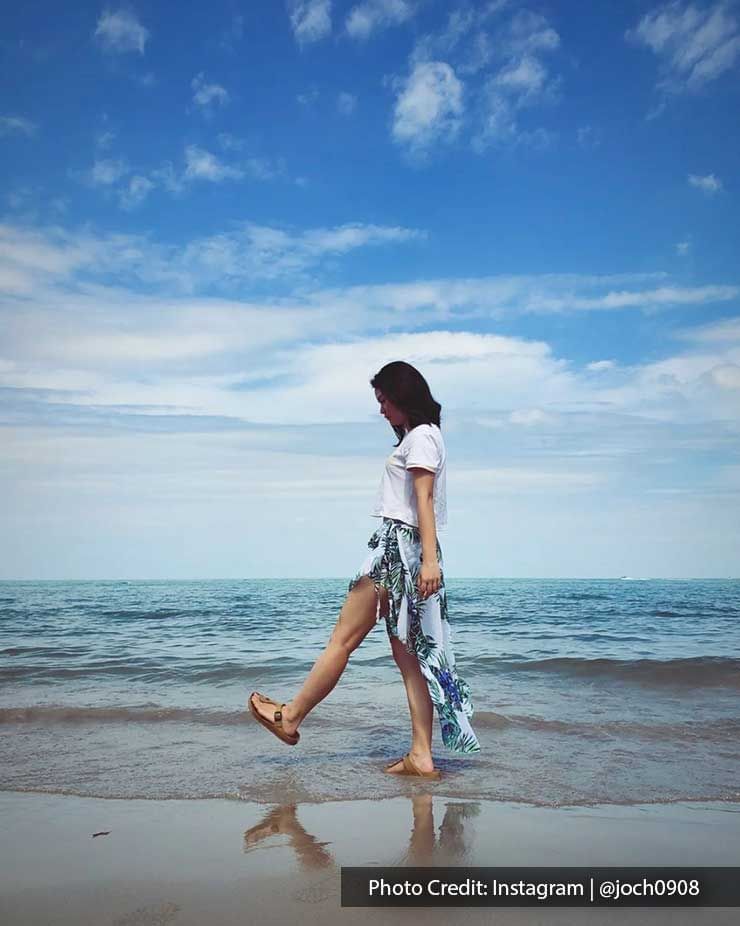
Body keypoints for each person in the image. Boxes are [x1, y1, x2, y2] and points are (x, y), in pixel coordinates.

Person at [248, 361, 480, 778]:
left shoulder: (422, 438)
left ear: (402, 397)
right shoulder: (421, 436)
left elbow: (423, 501)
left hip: (398, 552)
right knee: (409, 658)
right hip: (408, 552)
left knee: (344, 639)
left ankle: (291, 717)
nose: (381, 411)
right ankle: (421, 755)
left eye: (384, 401)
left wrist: (428, 561)